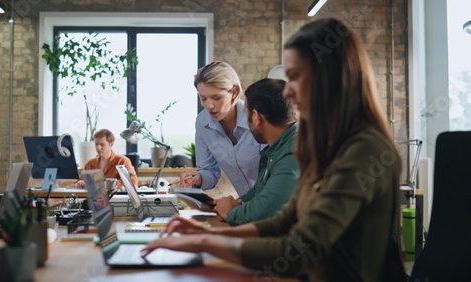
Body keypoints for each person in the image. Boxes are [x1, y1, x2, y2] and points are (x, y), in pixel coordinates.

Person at [142, 18, 406, 281]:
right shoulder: (323, 145)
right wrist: (205, 235)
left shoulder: (364, 150)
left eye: (294, 77)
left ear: (327, 79)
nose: (287, 91)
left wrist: (202, 243)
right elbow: (283, 222)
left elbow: (300, 250)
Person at [213, 78, 299, 226]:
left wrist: (230, 212)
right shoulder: (277, 148)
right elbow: (259, 192)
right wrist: (238, 202)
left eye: (247, 116)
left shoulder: (295, 150)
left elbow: (265, 212)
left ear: (257, 117)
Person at [178, 61, 265, 196]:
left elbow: (273, 172)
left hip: (275, 202)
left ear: (234, 93)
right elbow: (209, 171)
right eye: (203, 98)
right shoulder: (202, 123)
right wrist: (199, 178)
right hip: (247, 204)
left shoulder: (256, 118)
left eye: (216, 98)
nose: (209, 106)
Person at [73, 129, 138, 189]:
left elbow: (133, 182)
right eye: (96, 144)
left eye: (102, 144)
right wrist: (79, 183)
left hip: (114, 199)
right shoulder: (90, 163)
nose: (98, 148)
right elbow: (78, 182)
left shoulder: (122, 161)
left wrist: (105, 184)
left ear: (111, 144)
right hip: (93, 199)